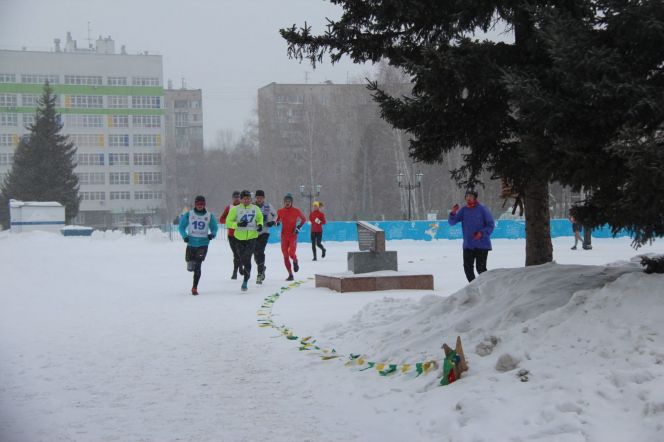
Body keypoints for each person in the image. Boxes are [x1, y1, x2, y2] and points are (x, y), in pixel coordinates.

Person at [448, 189, 495, 283]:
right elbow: (452, 222)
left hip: (482, 245)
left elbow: (491, 224)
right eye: (467, 196)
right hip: (468, 245)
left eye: (471, 196)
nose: (469, 198)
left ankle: (488, 286)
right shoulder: (463, 210)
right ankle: (474, 287)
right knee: (468, 269)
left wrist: (482, 233)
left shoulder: (482, 209)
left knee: (481, 269)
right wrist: (453, 213)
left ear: (475, 198)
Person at [178, 195, 218, 296]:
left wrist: (212, 234)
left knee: (198, 265)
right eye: (198, 204)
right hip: (191, 243)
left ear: (204, 204)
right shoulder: (189, 214)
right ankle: (191, 265)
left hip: (203, 244)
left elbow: (214, 228)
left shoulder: (209, 216)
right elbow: (181, 227)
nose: (200, 206)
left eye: (202, 204)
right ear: (195, 204)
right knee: (190, 265)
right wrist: (185, 236)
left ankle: (194, 287)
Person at [226, 190, 264, 291]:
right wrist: (237, 225)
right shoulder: (235, 209)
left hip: (252, 237)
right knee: (242, 259)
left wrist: (260, 225)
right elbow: (228, 222)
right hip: (238, 238)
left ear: (251, 199)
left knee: (247, 259)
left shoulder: (255, 208)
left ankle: (245, 281)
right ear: (241, 199)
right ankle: (246, 273)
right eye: (245, 198)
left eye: (248, 198)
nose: (247, 200)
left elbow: (260, 218)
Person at [276, 193, 306, 281]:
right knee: (285, 256)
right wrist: (277, 222)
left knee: (291, 254)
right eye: (286, 201)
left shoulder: (296, 211)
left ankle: (295, 260)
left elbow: (303, 219)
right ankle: (290, 274)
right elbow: (277, 219)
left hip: (293, 235)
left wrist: (298, 227)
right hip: (284, 236)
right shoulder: (280, 211)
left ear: (292, 202)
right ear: (283, 202)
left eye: (289, 201)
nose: (287, 203)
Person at [253, 189, 277, 284]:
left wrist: (273, 221)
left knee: (260, 251)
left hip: (264, 232)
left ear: (264, 198)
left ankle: (259, 274)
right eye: (258, 197)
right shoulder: (252, 206)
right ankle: (262, 267)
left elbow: (276, 215)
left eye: (261, 198)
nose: (259, 199)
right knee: (255, 254)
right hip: (254, 233)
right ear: (255, 198)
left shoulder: (268, 206)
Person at [220, 190, 242, 279]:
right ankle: (235, 271)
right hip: (231, 235)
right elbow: (221, 219)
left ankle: (240, 267)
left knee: (241, 253)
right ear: (232, 198)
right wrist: (229, 222)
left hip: (241, 234)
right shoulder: (229, 207)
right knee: (235, 254)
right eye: (235, 197)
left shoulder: (244, 207)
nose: (236, 199)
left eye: (238, 197)